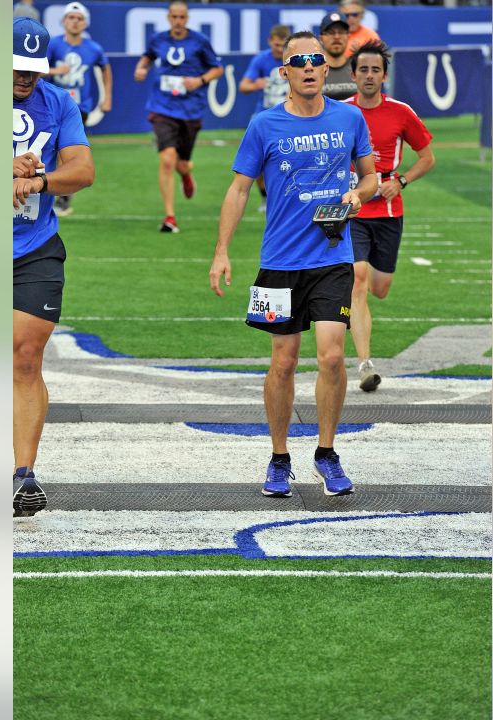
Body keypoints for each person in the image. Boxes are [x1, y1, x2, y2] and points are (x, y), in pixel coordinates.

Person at [208, 31, 377, 499]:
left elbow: (370, 176)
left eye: (315, 60)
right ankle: (279, 457)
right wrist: (222, 251)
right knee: (282, 363)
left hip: (332, 256)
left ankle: (326, 453)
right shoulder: (263, 124)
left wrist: (357, 195)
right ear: (284, 72)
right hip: (279, 261)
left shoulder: (349, 118)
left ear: (327, 69)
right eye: (298, 61)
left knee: (332, 355)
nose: (307, 67)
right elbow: (239, 189)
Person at [12, 17, 95, 516]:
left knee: (25, 357)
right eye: (17, 69)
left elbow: (82, 170)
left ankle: (23, 475)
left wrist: (40, 180)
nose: (25, 78)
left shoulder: (59, 103)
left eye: (33, 70)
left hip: (35, 246)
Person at [341, 41, 436, 392]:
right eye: (363, 69)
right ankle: (365, 364)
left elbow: (427, 157)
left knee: (379, 288)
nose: (369, 76)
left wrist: (400, 181)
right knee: (358, 278)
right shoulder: (339, 112)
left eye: (375, 70)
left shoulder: (401, 112)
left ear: (384, 75)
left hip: (389, 210)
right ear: (352, 75)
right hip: (352, 208)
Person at [133, 0, 223, 233]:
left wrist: (199, 80)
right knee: (167, 160)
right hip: (162, 107)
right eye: (174, 17)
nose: (178, 21)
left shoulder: (199, 41)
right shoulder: (158, 39)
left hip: (190, 110)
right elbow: (147, 56)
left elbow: (217, 68)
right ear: (168, 17)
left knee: (181, 163)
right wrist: (141, 68)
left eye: (182, 17)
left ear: (187, 18)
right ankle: (170, 217)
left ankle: (186, 174)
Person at [46, 1, 112, 217]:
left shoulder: (93, 48)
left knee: (69, 150)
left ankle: (64, 198)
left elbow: (105, 68)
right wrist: (57, 69)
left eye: (79, 18)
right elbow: (37, 70)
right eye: (71, 18)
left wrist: (107, 96)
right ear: (64, 21)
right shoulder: (53, 44)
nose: (74, 22)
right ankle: (44, 192)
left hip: (78, 108)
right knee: (47, 150)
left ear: (86, 23)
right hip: (51, 104)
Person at [238, 24, 291, 213]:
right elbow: (243, 86)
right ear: (270, 41)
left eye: (282, 45)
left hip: (290, 117)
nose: (279, 49)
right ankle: (265, 196)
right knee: (257, 163)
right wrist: (256, 85)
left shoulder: (294, 60)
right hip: (265, 115)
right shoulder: (261, 60)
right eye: (276, 45)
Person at [318, 12, 358, 101]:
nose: (336, 37)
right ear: (321, 39)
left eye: (341, 32)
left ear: (348, 36)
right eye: (331, 33)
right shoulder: (313, 70)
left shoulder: (359, 68)